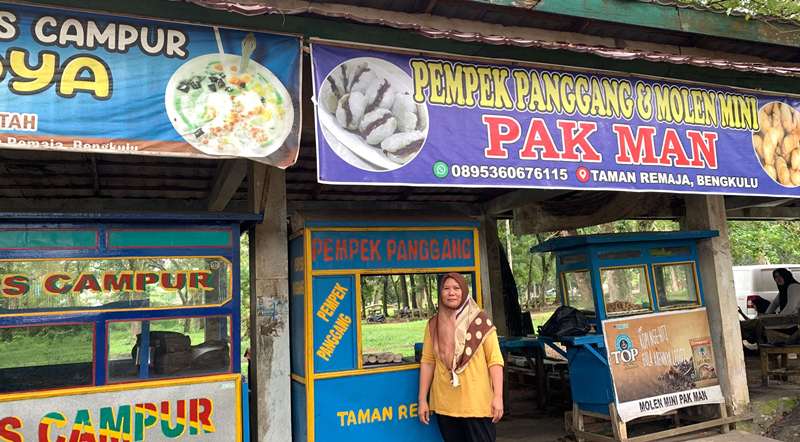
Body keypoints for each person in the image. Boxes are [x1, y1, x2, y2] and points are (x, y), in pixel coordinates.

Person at [418, 272, 504, 442]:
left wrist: (498, 397)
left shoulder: (481, 322)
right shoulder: (433, 325)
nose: (451, 293)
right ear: (440, 293)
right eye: (446, 288)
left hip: (477, 405)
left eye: (456, 288)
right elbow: (428, 361)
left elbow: (495, 361)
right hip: (445, 405)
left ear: (464, 291)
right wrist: (422, 400)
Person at [740, 268, 800, 344]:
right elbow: (774, 304)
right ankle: (746, 332)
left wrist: (773, 319)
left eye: (780, 276)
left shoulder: (794, 287)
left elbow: (790, 308)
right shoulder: (784, 289)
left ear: (786, 276)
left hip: (791, 323)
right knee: (759, 321)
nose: (778, 279)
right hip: (786, 320)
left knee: (758, 323)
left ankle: (747, 333)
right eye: (775, 277)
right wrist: (766, 315)